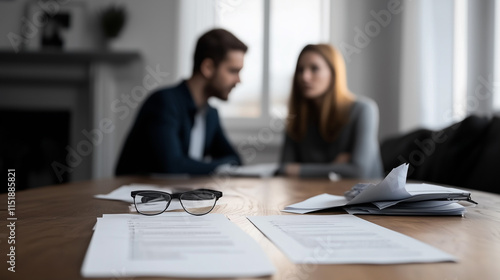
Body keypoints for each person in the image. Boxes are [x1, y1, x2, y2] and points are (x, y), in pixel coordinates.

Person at [115, 28, 247, 176]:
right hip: (136, 196)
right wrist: (223, 165)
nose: (238, 80)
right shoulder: (164, 103)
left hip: (182, 196)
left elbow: (236, 160)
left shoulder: (210, 114)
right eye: (233, 71)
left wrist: (223, 164)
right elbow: (173, 167)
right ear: (208, 67)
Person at [279, 44, 383, 179]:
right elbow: (284, 169)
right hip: (312, 196)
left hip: (361, 198)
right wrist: (335, 167)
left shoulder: (363, 110)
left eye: (314, 68)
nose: (304, 77)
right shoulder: (297, 117)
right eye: (300, 70)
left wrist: (299, 169)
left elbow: (358, 171)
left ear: (333, 73)